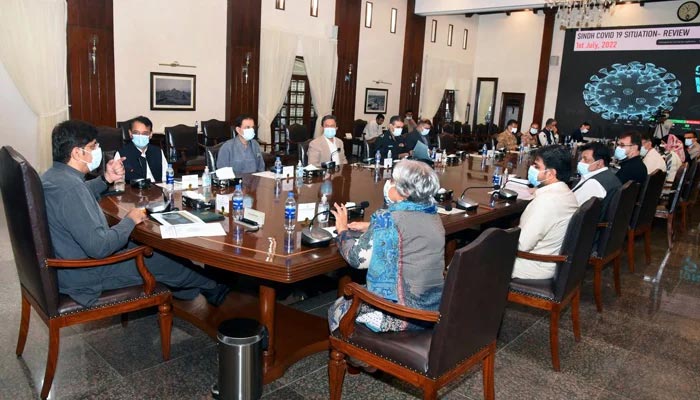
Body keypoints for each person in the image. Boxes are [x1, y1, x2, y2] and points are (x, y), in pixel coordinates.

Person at [42, 120, 229, 307]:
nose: (98, 149)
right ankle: (214, 288)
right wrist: (129, 220)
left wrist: (105, 179)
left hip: (70, 268)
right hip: (87, 275)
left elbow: (82, 192)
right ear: (77, 152)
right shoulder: (71, 188)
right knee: (166, 258)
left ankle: (190, 289)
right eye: (93, 146)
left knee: (152, 250)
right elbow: (100, 248)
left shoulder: (54, 177)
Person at [327, 160, 444, 332]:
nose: (389, 184)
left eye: (394, 182)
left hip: (401, 315)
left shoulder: (387, 218)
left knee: (337, 308)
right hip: (433, 308)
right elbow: (409, 229)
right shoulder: (431, 212)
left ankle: (346, 351)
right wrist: (371, 226)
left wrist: (342, 230)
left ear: (404, 191)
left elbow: (357, 259)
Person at [512, 145, 579, 279]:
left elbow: (521, 244)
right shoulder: (567, 193)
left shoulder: (546, 201)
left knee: (473, 256)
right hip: (552, 259)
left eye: (537, 167)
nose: (531, 169)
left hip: (534, 265)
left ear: (551, 173)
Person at [572, 142, 621, 215]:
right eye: (581, 158)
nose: (580, 162)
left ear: (599, 163)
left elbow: (571, 206)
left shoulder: (594, 183)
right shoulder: (608, 176)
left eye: (585, 159)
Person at [115, 116, 168, 183]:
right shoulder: (121, 154)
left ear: (151, 134)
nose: (140, 136)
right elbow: (118, 183)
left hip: (157, 191)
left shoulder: (158, 152)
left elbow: (166, 178)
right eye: (136, 133)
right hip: (133, 192)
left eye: (145, 133)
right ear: (130, 133)